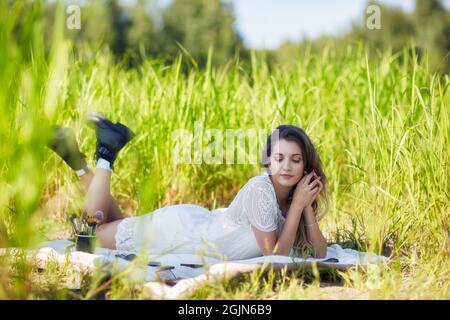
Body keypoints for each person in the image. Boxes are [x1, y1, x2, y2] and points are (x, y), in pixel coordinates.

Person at [48, 114, 328, 260]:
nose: (287, 166)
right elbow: (275, 257)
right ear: (268, 162)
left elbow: (319, 253)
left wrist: (305, 209)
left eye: (296, 160)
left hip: (196, 225)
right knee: (86, 238)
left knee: (115, 225)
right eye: (279, 158)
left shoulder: (291, 198)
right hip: (179, 234)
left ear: (306, 166)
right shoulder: (261, 189)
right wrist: (298, 208)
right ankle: (106, 154)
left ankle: (77, 161)